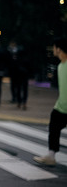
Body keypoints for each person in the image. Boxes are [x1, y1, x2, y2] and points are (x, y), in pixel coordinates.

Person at [34, 37, 67, 166]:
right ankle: (51, 155)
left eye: (54, 47)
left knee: (54, 126)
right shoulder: (60, 66)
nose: (53, 49)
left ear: (59, 49)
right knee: (54, 126)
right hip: (61, 106)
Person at [8, 41, 30, 110]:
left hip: (18, 75)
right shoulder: (26, 59)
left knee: (18, 88)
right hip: (25, 75)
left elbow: (13, 66)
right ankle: (24, 102)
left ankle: (19, 102)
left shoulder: (16, 58)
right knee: (25, 89)